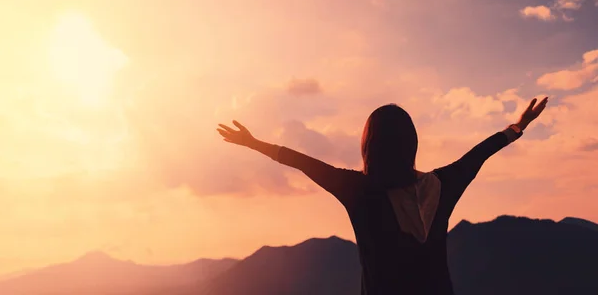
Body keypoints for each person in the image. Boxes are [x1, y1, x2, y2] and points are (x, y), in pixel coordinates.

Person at [217, 96, 548, 295]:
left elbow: (303, 163)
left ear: (369, 145)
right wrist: (518, 126)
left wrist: (253, 143)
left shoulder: (359, 191)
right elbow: (478, 154)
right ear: (412, 144)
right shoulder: (442, 184)